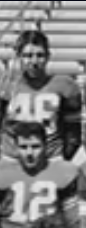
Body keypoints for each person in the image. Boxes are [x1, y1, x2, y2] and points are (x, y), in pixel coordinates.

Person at [0, 122, 80, 228]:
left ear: (46, 146)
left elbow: (72, 218)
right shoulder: (3, 172)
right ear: (15, 148)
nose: (29, 153)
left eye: (35, 146)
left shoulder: (62, 171)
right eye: (23, 147)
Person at [0, 30, 81, 161]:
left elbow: (73, 132)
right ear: (18, 56)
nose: (34, 61)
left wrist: (64, 157)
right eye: (28, 55)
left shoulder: (65, 85)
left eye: (40, 55)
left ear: (48, 56)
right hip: (12, 158)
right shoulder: (6, 85)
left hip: (51, 157)